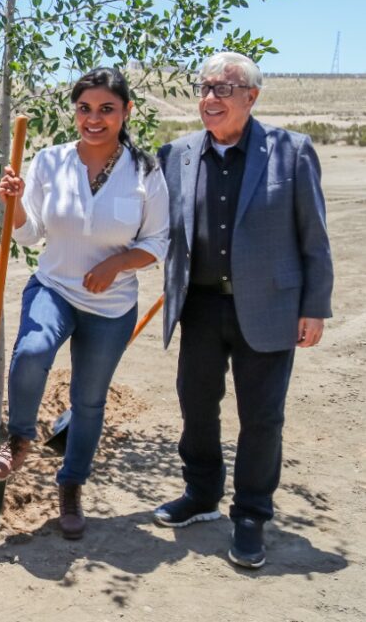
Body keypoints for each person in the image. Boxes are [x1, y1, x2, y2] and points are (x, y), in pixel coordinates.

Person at [153, 52, 333, 569]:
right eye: (204, 88)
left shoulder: (291, 151)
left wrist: (314, 307)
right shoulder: (177, 154)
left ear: (252, 97)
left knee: (261, 418)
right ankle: (201, 494)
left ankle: (251, 514)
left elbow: (314, 238)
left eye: (222, 89)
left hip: (272, 307)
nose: (209, 99)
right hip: (201, 306)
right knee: (196, 405)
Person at [0, 67, 169, 540]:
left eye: (107, 109)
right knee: (32, 351)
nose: (94, 119)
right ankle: (20, 439)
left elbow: (160, 241)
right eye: (85, 108)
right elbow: (29, 233)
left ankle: (71, 486)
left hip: (112, 306)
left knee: (88, 400)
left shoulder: (145, 173)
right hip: (55, 287)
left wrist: (119, 262)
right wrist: (16, 205)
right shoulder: (50, 161)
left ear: (126, 112)